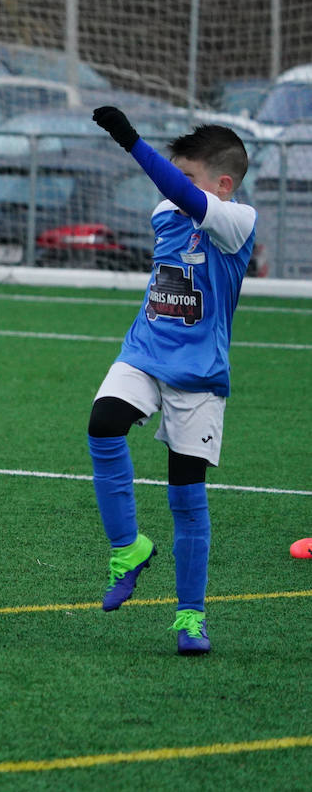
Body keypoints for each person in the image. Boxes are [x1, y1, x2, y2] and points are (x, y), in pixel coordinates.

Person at [89, 107, 257, 656]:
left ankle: (190, 618)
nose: (176, 186)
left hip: (200, 377)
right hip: (144, 352)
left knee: (186, 497)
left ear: (223, 184)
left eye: (189, 177)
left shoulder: (238, 221)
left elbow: (186, 198)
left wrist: (131, 142)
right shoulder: (169, 208)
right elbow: (177, 201)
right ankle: (128, 548)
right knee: (103, 424)